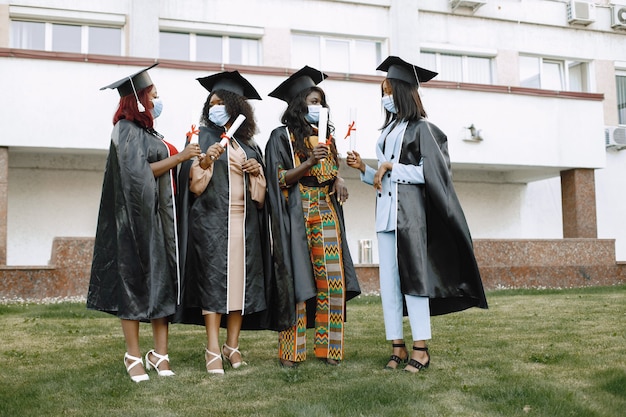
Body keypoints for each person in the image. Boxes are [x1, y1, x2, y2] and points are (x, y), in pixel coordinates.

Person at [346, 56, 488, 373]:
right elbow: (384, 177)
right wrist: (365, 170)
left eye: (389, 90)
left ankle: (421, 349)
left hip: (409, 218)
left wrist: (391, 167)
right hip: (385, 217)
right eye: (382, 92)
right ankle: (397, 346)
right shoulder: (387, 131)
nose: (385, 98)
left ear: (404, 92)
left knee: (414, 282)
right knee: (390, 284)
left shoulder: (424, 129)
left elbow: (431, 173)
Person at [87, 63, 202, 382]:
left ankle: (160, 355)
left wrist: (190, 159)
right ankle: (133, 355)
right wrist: (179, 157)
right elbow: (136, 174)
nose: (159, 100)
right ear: (138, 99)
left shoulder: (151, 133)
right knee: (135, 286)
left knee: (162, 285)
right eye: (154, 94)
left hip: (161, 223)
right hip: (135, 226)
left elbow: (164, 173)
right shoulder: (124, 130)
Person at [176, 71, 275, 375]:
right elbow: (193, 186)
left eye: (221, 102)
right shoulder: (201, 138)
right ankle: (212, 348)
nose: (215, 107)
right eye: (212, 102)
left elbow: (261, 196)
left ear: (235, 108)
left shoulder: (249, 144)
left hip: (244, 223)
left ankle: (232, 345)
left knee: (240, 287)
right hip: (211, 222)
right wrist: (205, 161)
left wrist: (257, 170)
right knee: (214, 285)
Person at [265, 66, 361, 367]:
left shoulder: (326, 137)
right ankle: (292, 353)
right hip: (296, 210)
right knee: (296, 280)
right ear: (297, 104)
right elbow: (278, 179)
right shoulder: (280, 137)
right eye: (312, 100)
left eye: (321, 101)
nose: (318, 106)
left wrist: (339, 179)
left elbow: (330, 172)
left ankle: (329, 350)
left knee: (332, 280)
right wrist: (308, 162)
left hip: (325, 209)